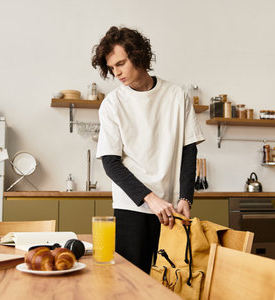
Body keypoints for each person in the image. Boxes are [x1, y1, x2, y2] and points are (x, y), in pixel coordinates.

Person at [91, 26, 204, 274]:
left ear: (138, 55)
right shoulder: (112, 104)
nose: (116, 72)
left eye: (121, 63)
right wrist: (150, 199)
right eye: (111, 68)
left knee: (172, 281)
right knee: (131, 283)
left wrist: (186, 197)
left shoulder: (177, 96)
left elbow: (188, 151)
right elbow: (110, 163)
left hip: (171, 209)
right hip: (132, 207)